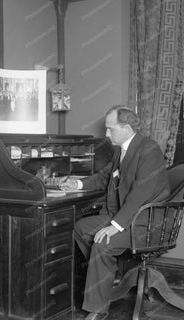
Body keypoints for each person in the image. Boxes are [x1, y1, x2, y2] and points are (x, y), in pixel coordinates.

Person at [60, 105, 170, 320]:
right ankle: (111, 275)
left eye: (111, 129)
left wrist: (115, 226)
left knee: (103, 243)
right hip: (128, 217)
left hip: (146, 223)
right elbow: (103, 177)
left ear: (127, 128)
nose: (106, 134)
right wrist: (77, 184)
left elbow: (140, 193)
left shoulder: (148, 149)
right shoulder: (122, 149)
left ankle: (98, 309)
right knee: (80, 228)